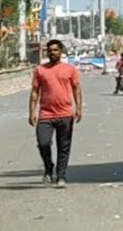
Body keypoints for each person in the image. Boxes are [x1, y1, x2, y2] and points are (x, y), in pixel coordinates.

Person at [29, 39, 82, 188]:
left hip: (65, 114)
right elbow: (35, 92)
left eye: (55, 50)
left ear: (61, 51)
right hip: (46, 114)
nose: (52, 53)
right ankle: (48, 166)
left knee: (63, 146)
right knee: (43, 143)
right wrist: (32, 111)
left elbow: (76, 90)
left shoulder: (70, 70)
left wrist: (78, 108)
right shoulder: (40, 70)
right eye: (50, 50)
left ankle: (61, 176)